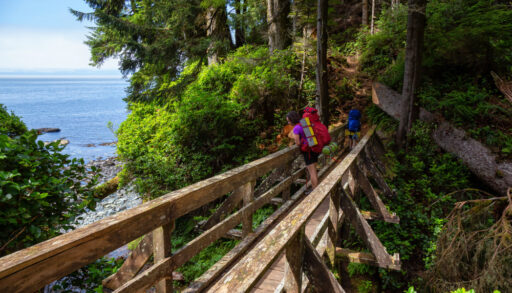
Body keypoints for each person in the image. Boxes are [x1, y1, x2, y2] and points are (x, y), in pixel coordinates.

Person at [286, 110, 319, 190]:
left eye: (289, 121)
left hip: (307, 152)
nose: (288, 123)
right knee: (314, 170)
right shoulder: (304, 123)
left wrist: (294, 137)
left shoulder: (296, 128)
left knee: (312, 172)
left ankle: (315, 190)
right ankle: (315, 188)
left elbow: (298, 143)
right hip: (314, 148)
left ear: (292, 120)